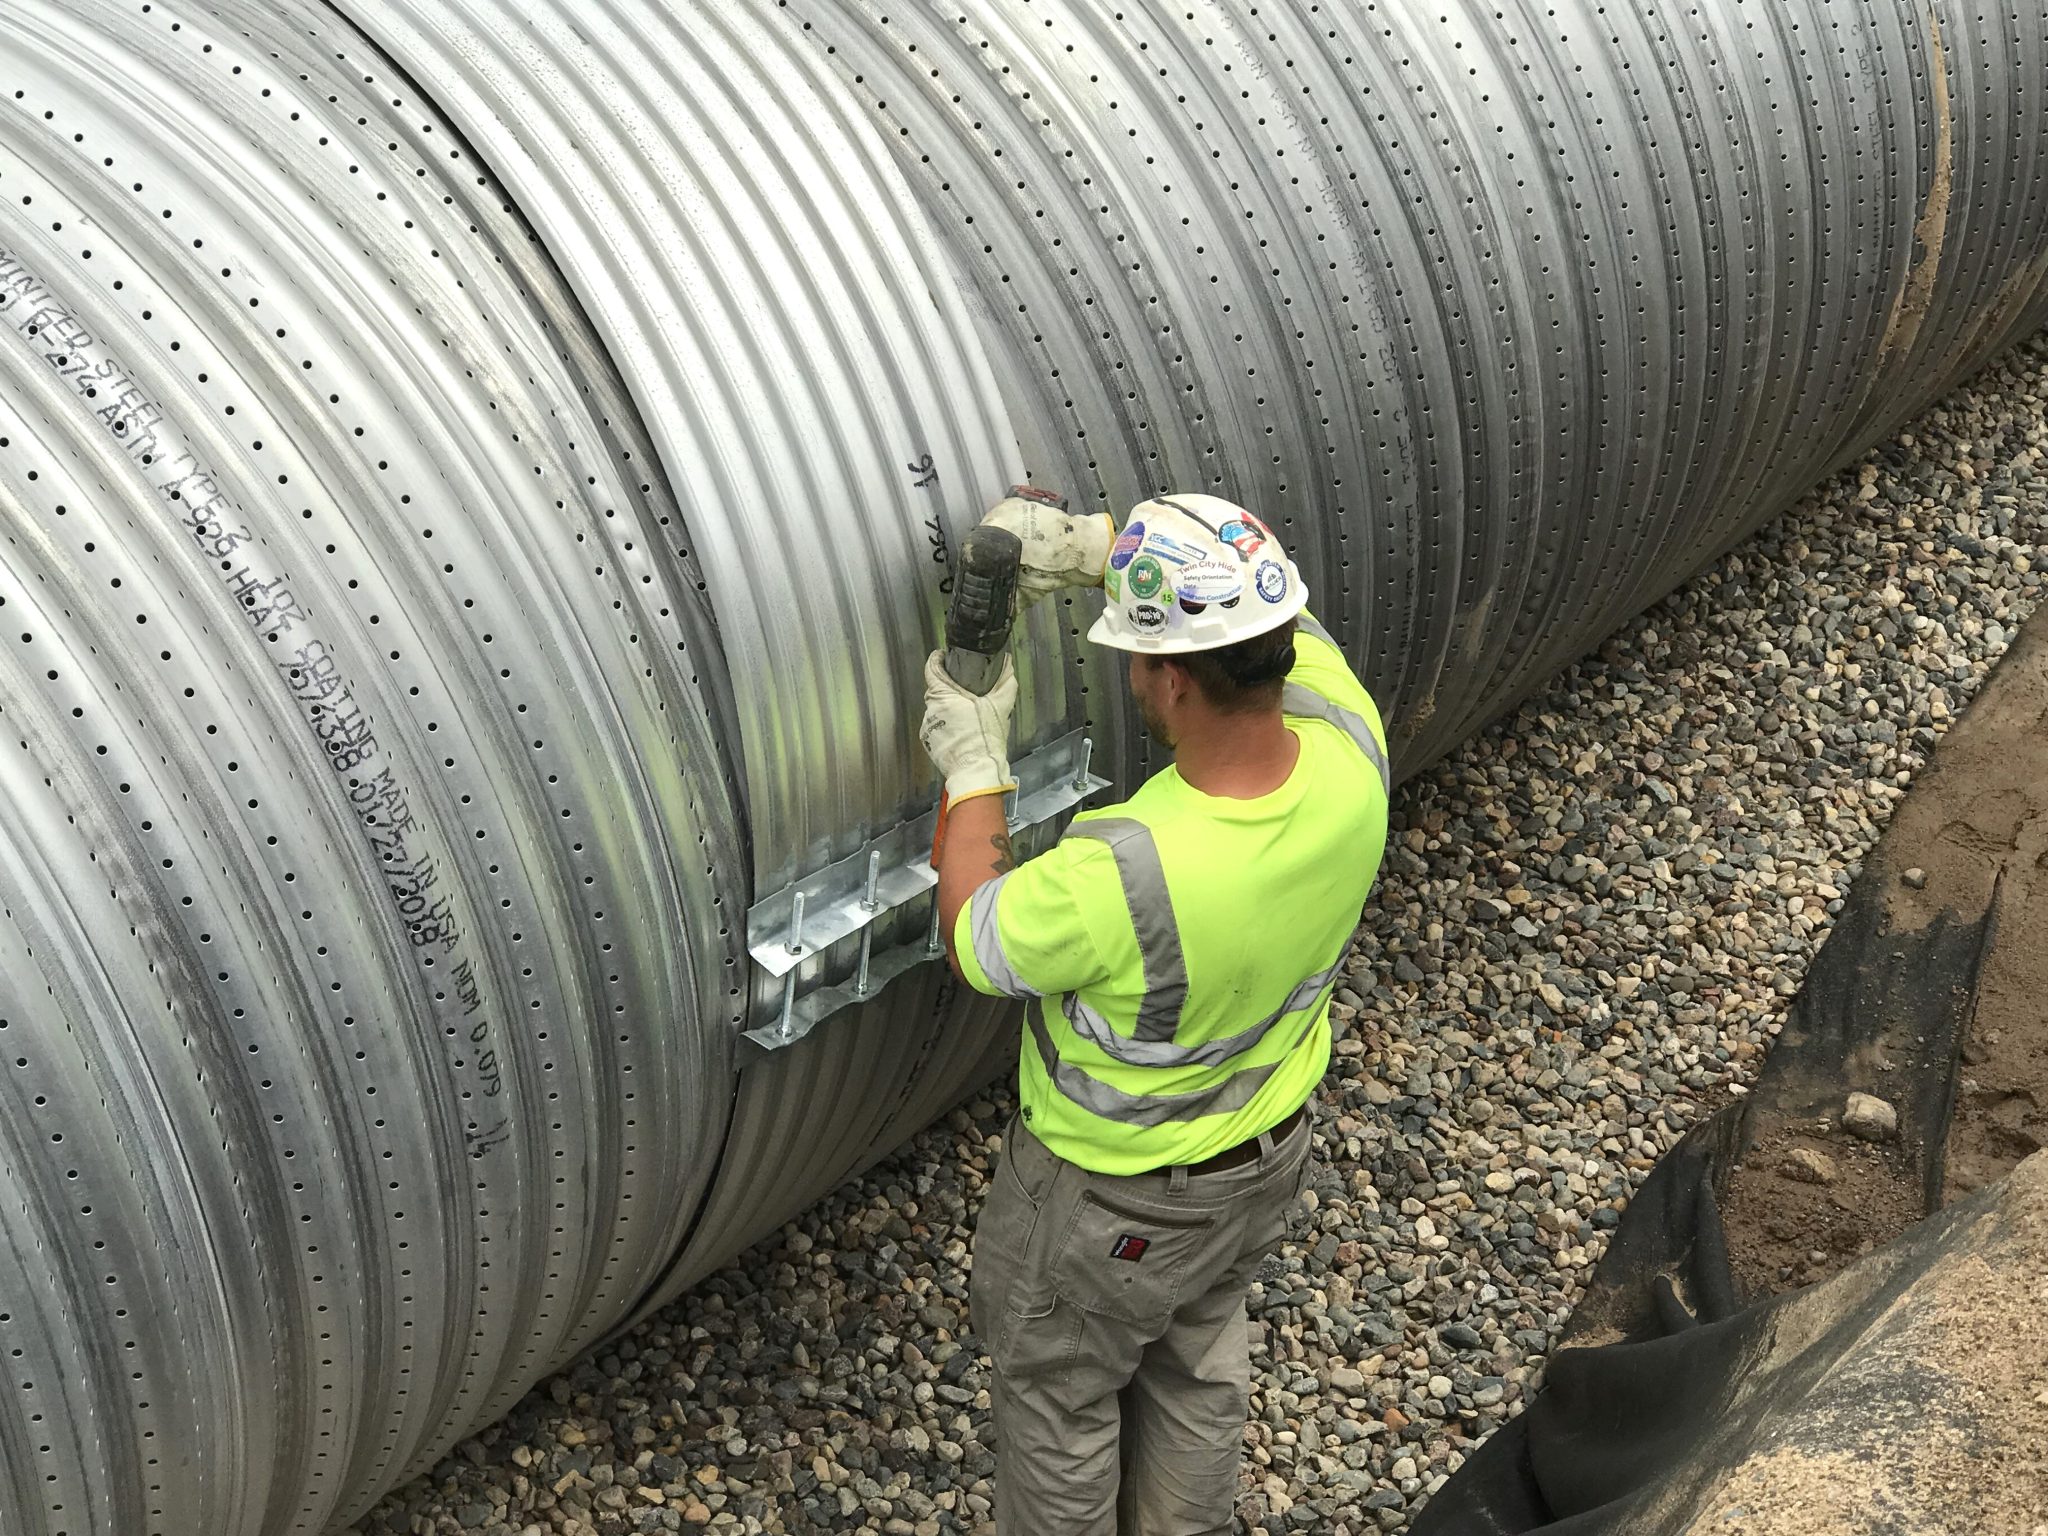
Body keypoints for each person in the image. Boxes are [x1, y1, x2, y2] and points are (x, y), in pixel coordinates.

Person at [918, 491, 1392, 1535]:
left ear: (1167, 679)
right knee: (1195, 1360)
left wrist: (972, 758)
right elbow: (1272, 613)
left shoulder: (1124, 871)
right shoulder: (1349, 737)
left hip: (1112, 1203)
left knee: (1060, 1397)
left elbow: (975, 939)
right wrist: (1104, 551)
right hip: (1261, 1162)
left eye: (1133, 656)